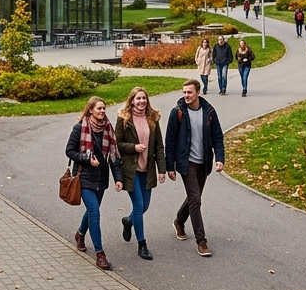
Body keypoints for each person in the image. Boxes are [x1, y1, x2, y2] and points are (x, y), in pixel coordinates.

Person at [164, 78, 225, 256]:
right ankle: (202, 241)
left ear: (198, 92)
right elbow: (170, 140)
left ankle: (179, 221)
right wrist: (170, 166)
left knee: (194, 197)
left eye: (189, 92)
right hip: (186, 162)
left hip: (203, 162)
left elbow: (217, 137)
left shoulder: (209, 112)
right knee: (196, 199)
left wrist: (219, 158)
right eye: (184, 92)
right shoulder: (177, 113)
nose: (186, 95)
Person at [66, 96, 124, 271]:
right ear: (90, 110)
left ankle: (80, 234)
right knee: (94, 212)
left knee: (92, 212)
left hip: (101, 178)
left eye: (104, 108)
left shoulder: (108, 129)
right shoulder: (79, 128)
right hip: (84, 177)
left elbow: (113, 157)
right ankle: (100, 254)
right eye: (99, 108)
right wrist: (86, 159)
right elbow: (69, 151)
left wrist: (118, 178)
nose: (102, 111)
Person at [115, 87, 166, 260]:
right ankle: (142, 244)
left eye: (144, 98)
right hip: (131, 169)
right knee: (138, 205)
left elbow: (159, 145)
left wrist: (162, 170)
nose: (142, 101)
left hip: (148, 168)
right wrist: (134, 147)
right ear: (132, 101)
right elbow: (117, 144)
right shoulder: (124, 119)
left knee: (145, 206)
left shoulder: (152, 118)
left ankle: (129, 221)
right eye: (138, 99)